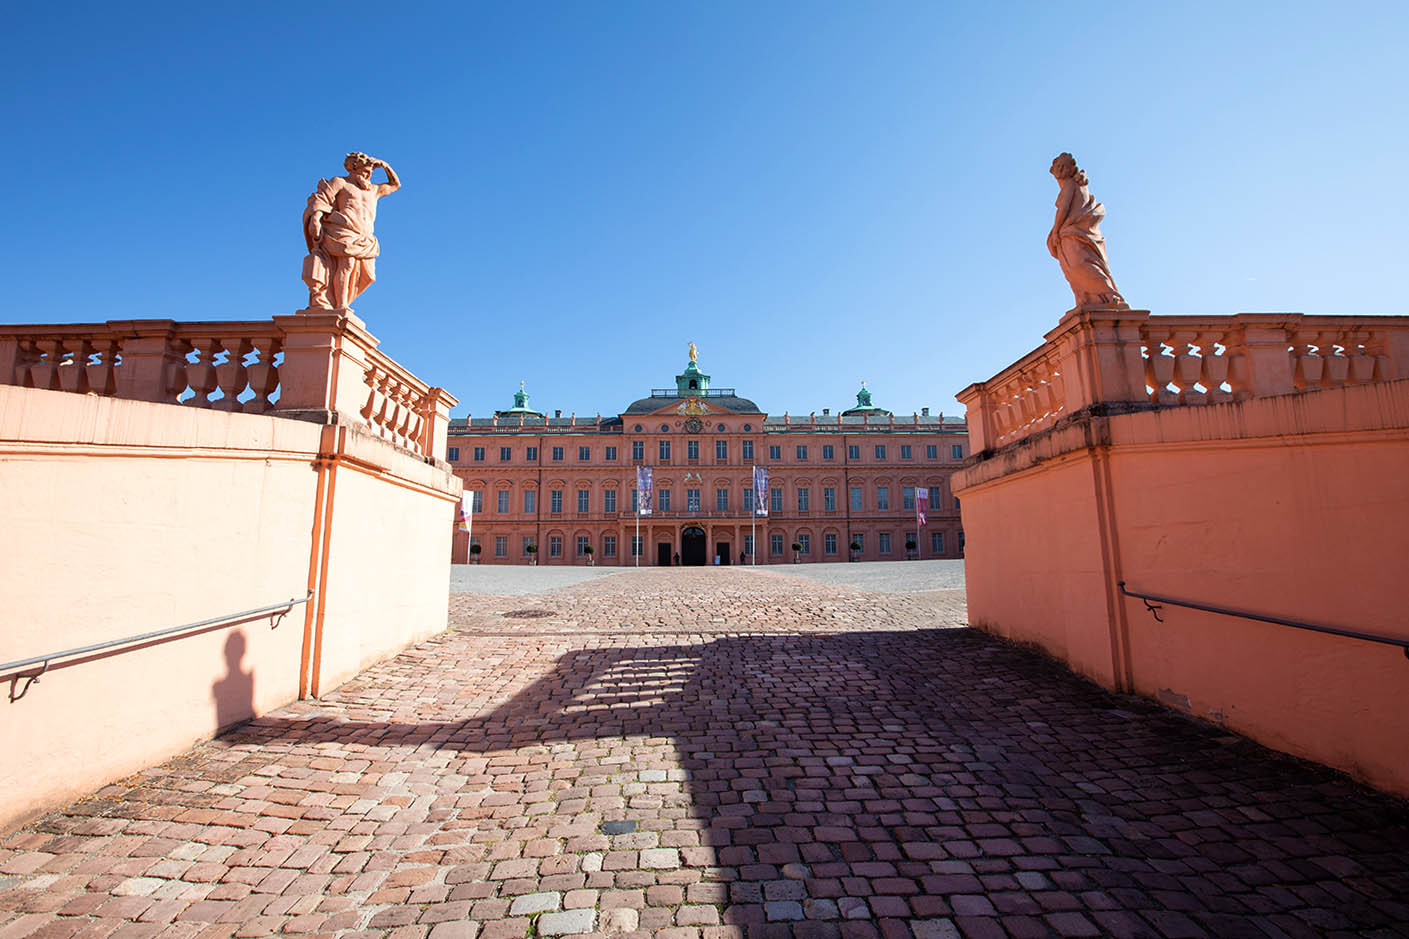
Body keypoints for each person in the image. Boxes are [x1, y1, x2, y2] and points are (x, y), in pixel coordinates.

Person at [302, 152, 401, 310]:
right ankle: (341, 305)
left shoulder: (374, 190)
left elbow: (395, 185)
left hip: (365, 237)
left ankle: (340, 301)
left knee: (368, 275)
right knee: (346, 266)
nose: (368, 174)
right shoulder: (340, 182)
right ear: (353, 168)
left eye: (370, 171)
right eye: (364, 170)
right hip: (343, 232)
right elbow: (321, 199)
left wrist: (385, 166)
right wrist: (315, 218)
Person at [1047, 153, 1125, 310]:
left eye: (1063, 166)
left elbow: (1064, 208)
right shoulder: (1073, 185)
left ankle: (1109, 295)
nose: (1060, 170)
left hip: (1075, 234)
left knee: (1079, 264)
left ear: (1070, 169)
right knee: (1074, 268)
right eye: (1058, 167)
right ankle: (1087, 298)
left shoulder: (1071, 185)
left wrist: (1056, 230)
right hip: (1071, 233)